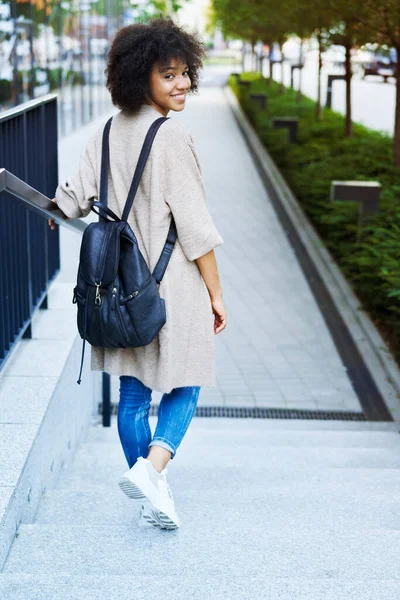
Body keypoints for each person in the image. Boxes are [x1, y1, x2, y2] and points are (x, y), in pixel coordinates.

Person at [49, 17, 227, 530]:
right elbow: (196, 229)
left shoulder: (106, 132)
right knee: (188, 381)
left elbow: (69, 200)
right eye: (168, 75)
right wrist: (217, 293)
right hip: (171, 288)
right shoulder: (171, 136)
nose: (182, 85)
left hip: (120, 289)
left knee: (132, 393)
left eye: (184, 73)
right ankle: (153, 469)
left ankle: (154, 493)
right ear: (139, 78)